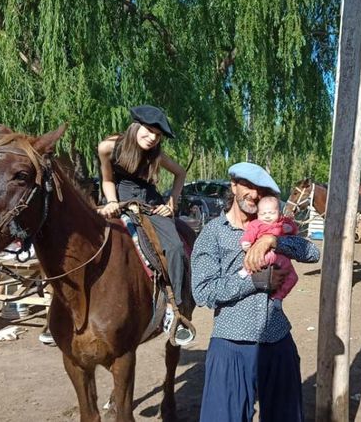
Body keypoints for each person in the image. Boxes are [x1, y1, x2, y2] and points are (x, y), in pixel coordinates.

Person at [192, 162, 320, 422]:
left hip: (277, 338)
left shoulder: (272, 226)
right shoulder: (213, 233)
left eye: (260, 190)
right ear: (234, 186)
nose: (253, 194)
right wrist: (256, 282)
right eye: (248, 186)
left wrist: (273, 240)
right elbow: (203, 291)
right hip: (231, 343)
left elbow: (312, 253)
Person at [97, 104, 193, 345]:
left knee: (175, 248)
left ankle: (175, 309)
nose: (152, 138)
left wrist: (171, 204)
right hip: (119, 201)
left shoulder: (156, 154)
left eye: (158, 135)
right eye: (149, 131)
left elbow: (180, 173)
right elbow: (107, 179)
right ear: (135, 126)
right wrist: (111, 202)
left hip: (151, 204)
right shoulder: (108, 147)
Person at [239, 195, 299, 302]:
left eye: (271, 213)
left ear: (279, 213)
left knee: (293, 277)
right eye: (263, 214)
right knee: (259, 259)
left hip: (284, 260)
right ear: (258, 214)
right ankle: (247, 269)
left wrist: (290, 228)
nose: (267, 216)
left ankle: (278, 297)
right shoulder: (257, 224)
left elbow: (294, 230)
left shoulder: (283, 223)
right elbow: (250, 233)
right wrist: (246, 242)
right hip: (267, 253)